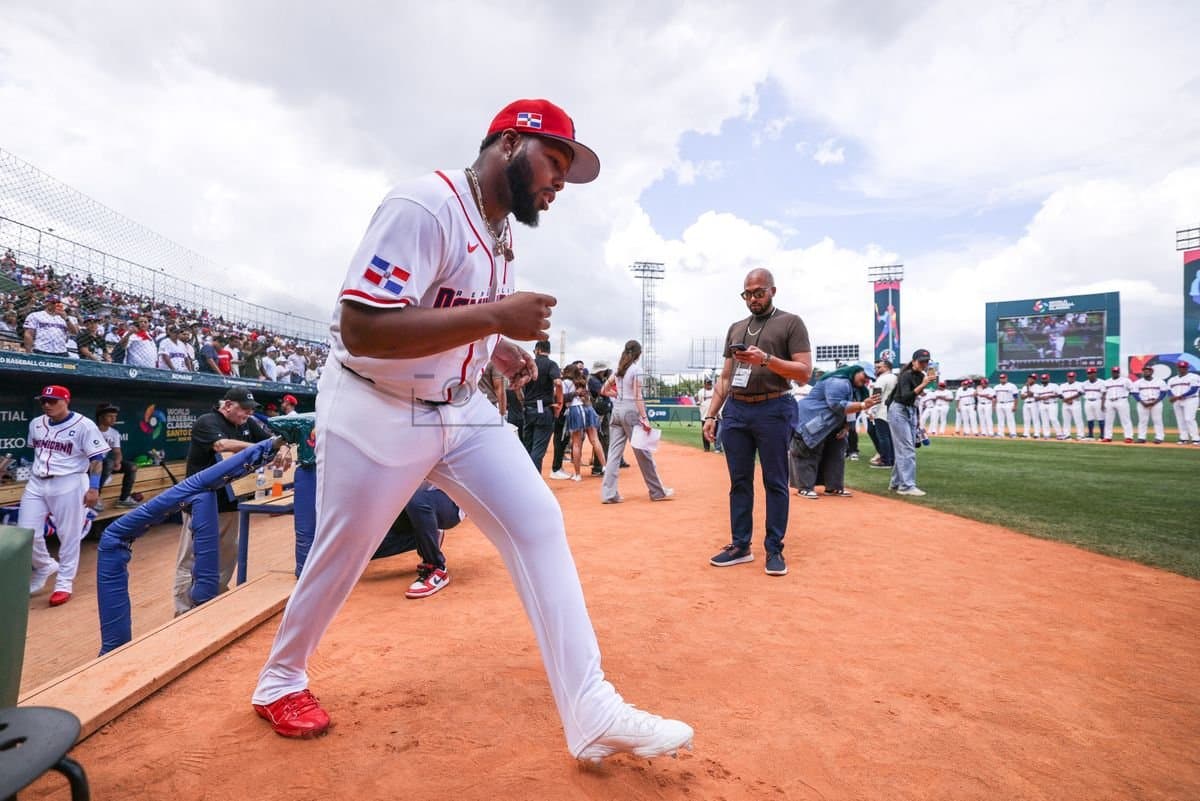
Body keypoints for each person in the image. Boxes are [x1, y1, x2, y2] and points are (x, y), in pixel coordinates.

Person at [250, 99, 693, 762]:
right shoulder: (425, 205)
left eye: (566, 173)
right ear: (510, 143)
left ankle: (591, 708)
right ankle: (280, 677)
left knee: (539, 520)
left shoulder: (499, 229)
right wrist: (493, 318)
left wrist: (495, 348)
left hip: (459, 407)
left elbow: (450, 316)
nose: (559, 184)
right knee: (342, 552)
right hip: (377, 403)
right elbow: (363, 327)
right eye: (554, 162)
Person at [704, 269, 812, 576]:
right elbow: (726, 377)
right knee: (739, 482)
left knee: (775, 481)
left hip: (774, 407)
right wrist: (711, 414)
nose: (753, 299)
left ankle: (774, 549)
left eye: (758, 293)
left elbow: (804, 372)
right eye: (748, 294)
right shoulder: (736, 328)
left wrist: (766, 359)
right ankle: (740, 546)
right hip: (737, 410)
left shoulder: (790, 322)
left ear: (772, 291)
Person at [175, 388, 285, 616]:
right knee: (191, 559)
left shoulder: (249, 423)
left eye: (250, 409)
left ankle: (212, 602)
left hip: (230, 500)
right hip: (200, 502)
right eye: (243, 408)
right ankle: (184, 611)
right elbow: (221, 446)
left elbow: (273, 440)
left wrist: (282, 447)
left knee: (226, 555)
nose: (247, 413)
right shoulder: (208, 421)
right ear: (227, 405)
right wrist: (260, 448)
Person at [21, 385, 109, 607]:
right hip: (37, 482)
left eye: (53, 401)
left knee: (68, 536)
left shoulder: (84, 425)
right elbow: (37, 451)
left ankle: (64, 583)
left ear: (66, 401)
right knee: (25, 534)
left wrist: (94, 488)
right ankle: (44, 565)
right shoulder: (36, 424)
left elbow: (97, 458)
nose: (47, 405)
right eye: (44, 401)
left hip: (70, 482)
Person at [790, 362, 879, 499]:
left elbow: (851, 410)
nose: (867, 380)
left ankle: (834, 487)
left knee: (836, 453)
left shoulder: (857, 388)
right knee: (808, 452)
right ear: (855, 371)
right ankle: (805, 488)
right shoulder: (838, 382)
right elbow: (836, 405)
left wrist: (847, 427)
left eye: (870, 378)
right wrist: (862, 405)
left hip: (832, 424)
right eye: (865, 375)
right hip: (812, 420)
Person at [601, 340, 673, 503]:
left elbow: (603, 389)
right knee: (643, 452)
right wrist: (644, 418)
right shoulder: (636, 369)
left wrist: (616, 396)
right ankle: (657, 491)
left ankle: (609, 494)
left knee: (613, 454)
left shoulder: (619, 370)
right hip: (630, 409)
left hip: (617, 409)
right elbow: (637, 396)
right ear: (639, 354)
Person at [369, 482, 462, 599]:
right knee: (363, 549)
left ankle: (435, 567)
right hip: (407, 503)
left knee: (417, 501)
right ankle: (429, 535)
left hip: (448, 501)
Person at [888, 349, 936, 496]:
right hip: (899, 410)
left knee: (904, 448)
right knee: (907, 449)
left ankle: (896, 483)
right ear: (914, 361)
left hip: (909, 411)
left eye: (927, 361)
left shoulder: (921, 375)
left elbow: (914, 397)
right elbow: (905, 397)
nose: (924, 364)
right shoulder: (905, 375)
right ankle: (906, 486)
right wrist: (923, 384)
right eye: (921, 361)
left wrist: (924, 384)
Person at [521, 339, 563, 474]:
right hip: (544, 410)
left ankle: (525, 478)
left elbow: (517, 384)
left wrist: (522, 399)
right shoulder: (551, 365)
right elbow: (558, 383)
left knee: (527, 447)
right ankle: (534, 482)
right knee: (538, 451)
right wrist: (560, 403)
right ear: (548, 351)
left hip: (528, 409)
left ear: (537, 350)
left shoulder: (528, 365)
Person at [95, 403, 139, 511]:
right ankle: (95, 497)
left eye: (115, 416)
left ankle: (124, 499)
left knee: (131, 466)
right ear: (101, 417)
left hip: (105, 466)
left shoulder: (114, 433)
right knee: (108, 463)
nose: (114, 419)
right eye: (110, 416)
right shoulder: (91, 430)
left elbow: (117, 452)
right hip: (90, 465)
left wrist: (118, 462)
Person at [867, 358, 895, 467]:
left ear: (886, 367)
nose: (877, 369)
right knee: (889, 437)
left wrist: (871, 411)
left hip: (881, 411)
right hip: (892, 410)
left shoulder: (882, 379)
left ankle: (885, 460)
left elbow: (876, 397)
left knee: (883, 437)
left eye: (879, 367)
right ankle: (891, 460)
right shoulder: (895, 378)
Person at [587, 360, 613, 473]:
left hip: (601, 412)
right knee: (603, 438)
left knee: (603, 439)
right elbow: (604, 391)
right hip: (599, 413)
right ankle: (600, 466)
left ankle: (600, 465)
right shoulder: (593, 380)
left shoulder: (598, 379)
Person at [1131, 365, 1167, 443]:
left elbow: (1163, 393)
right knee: (1142, 421)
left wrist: (1155, 402)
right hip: (1143, 403)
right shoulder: (1137, 382)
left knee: (1157, 420)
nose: (1146, 372)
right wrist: (1142, 402)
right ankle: (1141, 438)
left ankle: (1159, 437)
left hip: (1156, 402)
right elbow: (1135, 393)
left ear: (1152, 372)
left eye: (1148, 370)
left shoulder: (1160, 381)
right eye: (1145, 370)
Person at [1167, 360, 1200, 444]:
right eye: (1180, 367)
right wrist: (1171, 397)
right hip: (1177, 401)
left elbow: (1194, 389)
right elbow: (1169, 390)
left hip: (1191, 399)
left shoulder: (1194, 377)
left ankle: (1196, 438)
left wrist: (1179, 396)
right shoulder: (1172, 379)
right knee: (1180, 420)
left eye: (1184, 367)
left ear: (1187, 368)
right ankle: (1183, 438)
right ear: (1177, 368)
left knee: (1189, 419)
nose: (1182, 369)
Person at [1101, 366, 1135, 443]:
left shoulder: (1125, 380)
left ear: (1119, 372)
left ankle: (1129, 437)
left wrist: (1125, 396)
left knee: (1125, 420)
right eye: (1113, 372)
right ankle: (1107, 437)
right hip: (1109, 401)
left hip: (1121, 400)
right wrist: (1103, 404)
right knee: (1108, 420)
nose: (1115, 373)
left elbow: (1132, 389)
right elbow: (1104, 393)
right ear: (1111, 372)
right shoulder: (1107, 382)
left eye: (1116, 372)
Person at [1036, 373, 1064, 440]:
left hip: (1052, 404)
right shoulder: (1039, 387)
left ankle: (1059, 434)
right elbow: (1036, 398)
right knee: (1044, 420)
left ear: (1048, 378)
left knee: (1053, 419)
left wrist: (1050, 396)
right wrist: (1042, 398)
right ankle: (1046, 434)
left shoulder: (1054, 386)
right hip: (1042, 404)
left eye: (1045, 378)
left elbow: (1061, 395)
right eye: (1043, 378)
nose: (1044, 380)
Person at [1059, 371, 1086, 440]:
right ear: (1067, 377)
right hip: (1065, 404)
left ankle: (1080, 435)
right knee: (1066, 420)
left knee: (1078, 420)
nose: (1071, 378)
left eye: (1072, 377)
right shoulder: (1063, 385)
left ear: (1075, 377)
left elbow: (1080, 393)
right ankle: (1067, 434)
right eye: (1069, 377)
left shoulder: (1079, 384)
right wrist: (1067, 400)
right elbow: (1060, 395)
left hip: (1075, 403)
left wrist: (1069, 399)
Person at [1081, 367, 1106, 440]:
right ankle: (1090, 435)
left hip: (1098, 401)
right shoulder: (1084, 383)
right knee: (1089, 418)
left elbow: (1104, 394)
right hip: (1088, 401)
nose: (1090, 375)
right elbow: (1081, 392)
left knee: (1101, 418)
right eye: (1089, 373)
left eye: (1092, 373)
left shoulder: (1102, 382)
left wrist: (1102, 404)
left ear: (1095, 373)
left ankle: (1102, 435)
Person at [993, 372, 1020, 438]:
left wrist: (1015, 406)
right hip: (999, 404)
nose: (1002, 379)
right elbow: (994, 397)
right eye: (1001, 378)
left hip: (1009, 403)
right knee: (1000, 420)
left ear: (1006, 378)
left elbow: (1016, 397)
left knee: (1010, 419)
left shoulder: (1012, 386)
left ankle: (1013, 433)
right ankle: (1000, 434)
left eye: (1003, 378)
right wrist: (993, 406)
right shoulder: (996, 387)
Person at [696, 377, 718, 452]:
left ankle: (717, 447)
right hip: (704, 415)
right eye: (708, 383)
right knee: (705, 431)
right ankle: (706, 448)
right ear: (704, 384)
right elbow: (698, 401)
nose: (709, 384)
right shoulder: (701, 392)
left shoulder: (714, 390)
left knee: (716, 431)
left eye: (710, 383)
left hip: (714, 415)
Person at [1020, 373, 1042, 439]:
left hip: (1034, 403)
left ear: (1035, 380)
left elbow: (1037, 396)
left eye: (1032, 378)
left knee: (1035, 419)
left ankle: (1037, 434)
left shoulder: (1038, 386)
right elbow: (1022, 397)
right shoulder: (1024, 387)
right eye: (1029, 378)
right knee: (1026, 419)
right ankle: (1026, 434)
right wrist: (1028, 394)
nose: (1029, 379)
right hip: (1026, 403)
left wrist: (1029, 392)